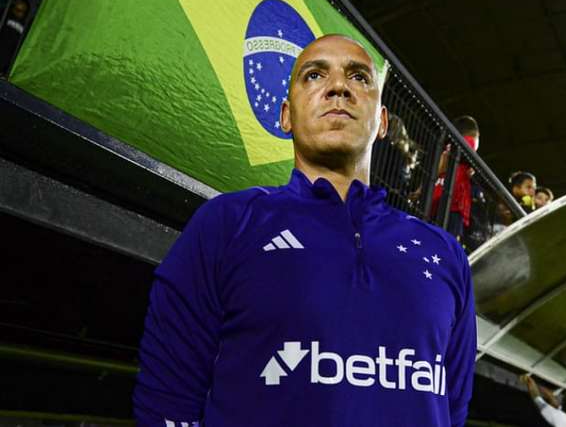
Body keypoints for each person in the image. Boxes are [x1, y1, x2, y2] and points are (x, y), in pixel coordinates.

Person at [132, 34, 476, 427]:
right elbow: (167, 399)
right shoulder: (227, 224)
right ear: (285, 116)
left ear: (381, 121)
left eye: (360, 78)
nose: (339, 87)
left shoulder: (444, 254)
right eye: (314, 75)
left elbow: (452, 409)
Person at [431, 115, 480, 241]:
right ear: (476, 134)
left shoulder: (448, 148)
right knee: (451, 245)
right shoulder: (469, 142)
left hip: (438, 199)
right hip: (455, 203)